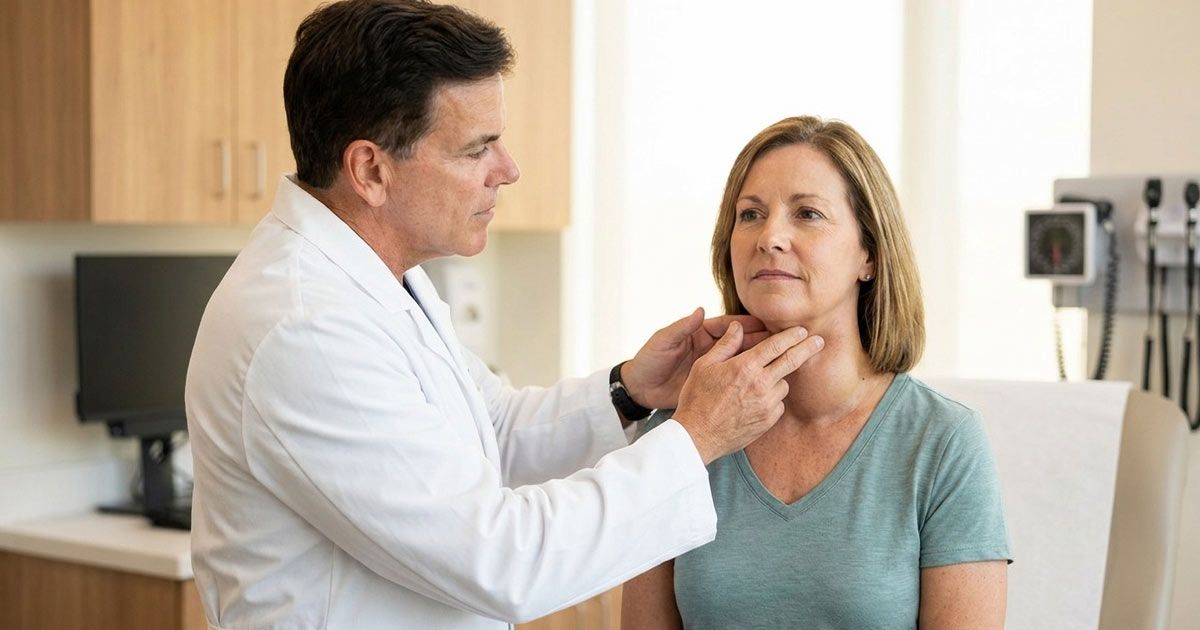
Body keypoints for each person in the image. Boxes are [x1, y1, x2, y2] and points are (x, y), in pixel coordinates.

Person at [184, 2, 826, 628]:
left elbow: (485, 429)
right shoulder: (306, 326)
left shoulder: (381, 281)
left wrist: (630, 391)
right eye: (476, 149)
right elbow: (504, 560)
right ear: (371, 169)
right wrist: (699, 436)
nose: (508, 170)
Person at [622, 116, 1012, 630]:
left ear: (868, 254)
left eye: (807, 213)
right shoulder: (680, 438)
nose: (770, 237)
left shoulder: (942, 442)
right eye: (750, 214)